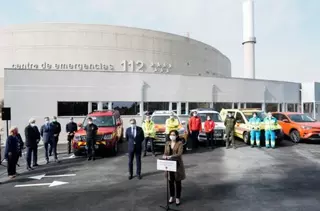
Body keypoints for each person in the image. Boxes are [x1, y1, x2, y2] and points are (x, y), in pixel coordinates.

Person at [163, 130, 186, 206]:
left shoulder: (179, 143)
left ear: (176, 136)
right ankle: (172, 196)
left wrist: (171, 156)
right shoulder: (167, 143)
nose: (172, 136)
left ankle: (178, 197)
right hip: (169, 164)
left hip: (177, 164)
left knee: (178, 182)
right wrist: (165, 156)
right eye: (171, 134)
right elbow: (165, 152)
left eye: (173, 134)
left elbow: (179, 154)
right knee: (170, 181)